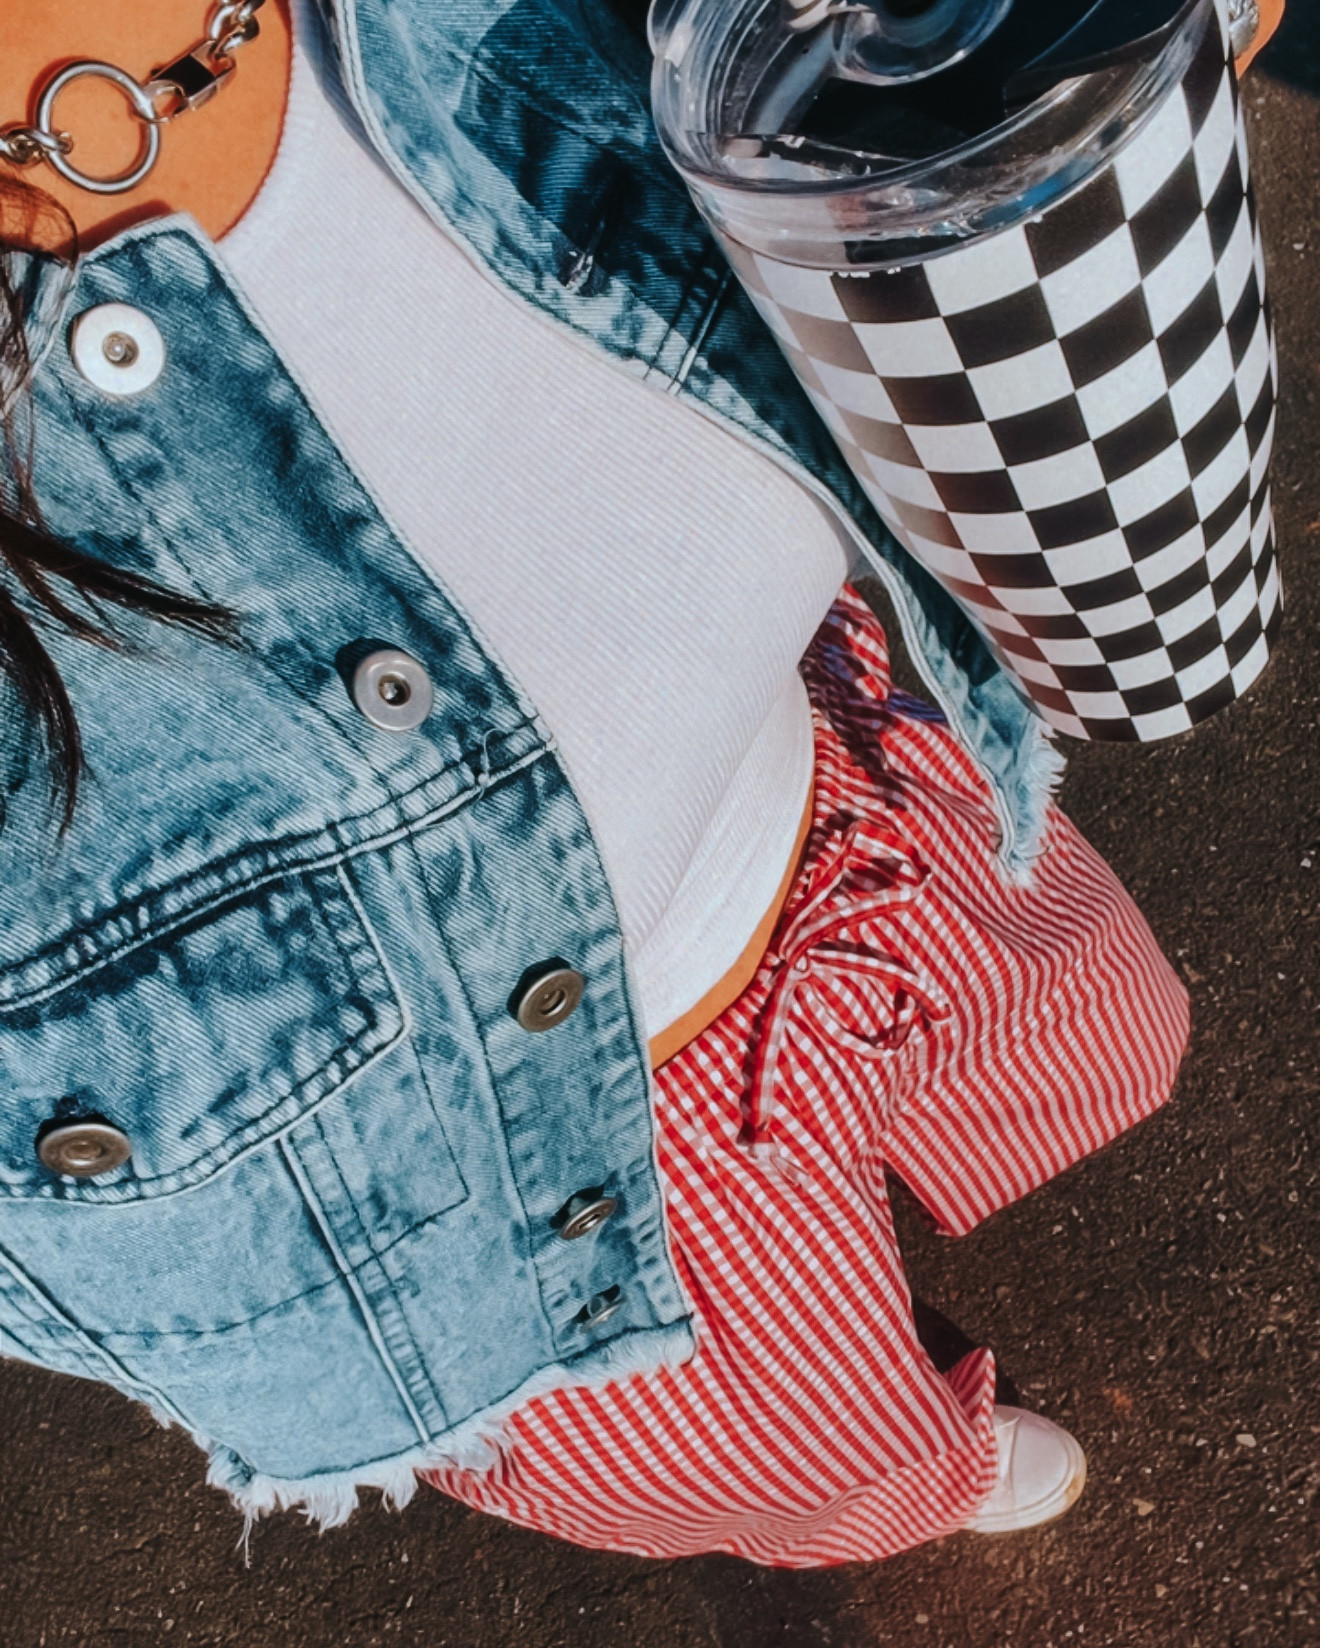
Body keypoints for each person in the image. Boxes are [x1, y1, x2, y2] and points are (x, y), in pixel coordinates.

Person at [0, 0, 1279, 1565]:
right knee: (804, 1446)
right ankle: (905, 1466)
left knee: (1094, 1030)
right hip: (511, 1188)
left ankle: (866, 1240)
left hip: (835, 793)